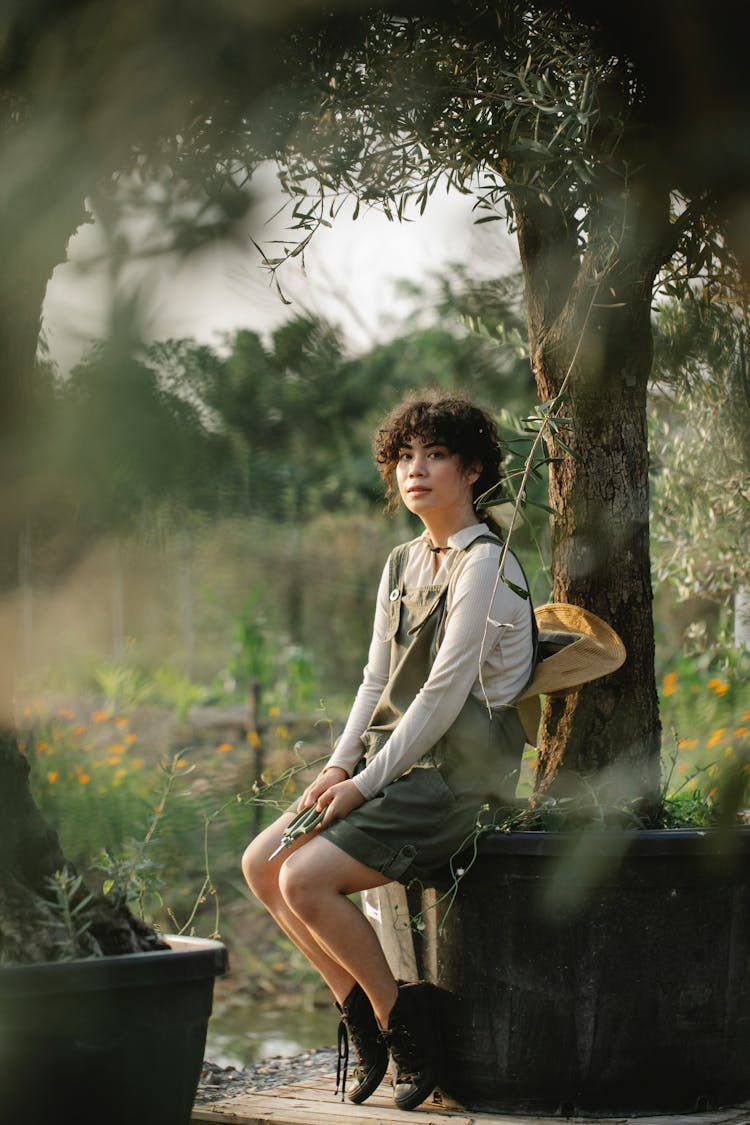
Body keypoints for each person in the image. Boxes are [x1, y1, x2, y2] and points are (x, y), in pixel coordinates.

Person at [242, 390, 535, 1112]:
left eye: (435, 454)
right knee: (261, 864)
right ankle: (368, 1016)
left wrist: (365, 783)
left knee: (304, 877)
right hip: (399, 765)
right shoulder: (404, 561)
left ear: (471, 471)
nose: (417, 469)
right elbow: (377, 680)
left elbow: (441, 694)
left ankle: (406, 1018)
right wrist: (339, 766)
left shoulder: (486, 566)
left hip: (462, 778)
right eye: (405, 456)